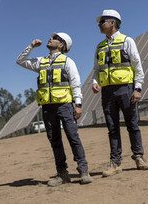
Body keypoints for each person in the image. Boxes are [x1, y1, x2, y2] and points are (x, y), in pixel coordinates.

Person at [16, 32, 92, 186]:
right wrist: (31, 46)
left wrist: (78, 105)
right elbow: (20, 60)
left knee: (73, 136)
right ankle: (62, 173)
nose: (51, 39)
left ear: (61, 45)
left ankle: (84, 171)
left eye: (55, 38)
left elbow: (75, 83)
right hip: (47, 107)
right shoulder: (41, 62)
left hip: (64, 105)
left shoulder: (67, 62)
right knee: (54, 140)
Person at [92, 9, 148, 177]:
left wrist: (137, 88)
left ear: (113, 23)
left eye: (102, 21)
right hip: (107, 93)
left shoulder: (127, 41)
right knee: (112, 127)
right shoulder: (100, 46)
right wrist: (96, 83)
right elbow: (96, 70)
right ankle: (115, 163)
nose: (99, 24)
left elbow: (137, 67)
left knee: (132, 124)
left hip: (126, 88)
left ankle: (139, 157)